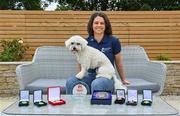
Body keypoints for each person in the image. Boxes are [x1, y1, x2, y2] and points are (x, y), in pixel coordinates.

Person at [66, 12, 130, 94]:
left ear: (106, 25)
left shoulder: (114, 41)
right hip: (90, 76)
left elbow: (118, 62)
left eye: (102, 23)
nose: (99, 25)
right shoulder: (85, 42)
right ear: (91, 25)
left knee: (97, 84)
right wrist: (80, 78)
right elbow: (80, 62)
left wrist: (123, 79)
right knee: (70, 82)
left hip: (106, 76)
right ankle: (75, 106)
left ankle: (98, 106)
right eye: (96, 23)